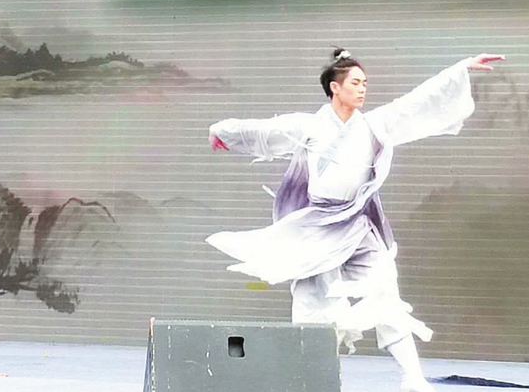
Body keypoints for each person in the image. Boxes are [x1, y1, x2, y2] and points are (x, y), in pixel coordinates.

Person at [207, 48, 504, 392]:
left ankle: (412, 377)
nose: (363, 89)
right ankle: (309, 380)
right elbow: (263, 130)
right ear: (335, 87)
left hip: (358, 224)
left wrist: (461, 68)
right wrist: (222, 131)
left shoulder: (374, 125)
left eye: (365, 83)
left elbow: (415, 103)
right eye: (356, 83)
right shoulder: (309, 126)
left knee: (384, 290)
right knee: (313, 304)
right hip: (317, 226)